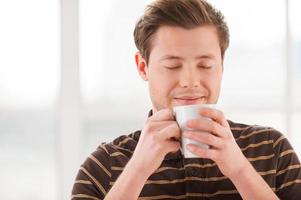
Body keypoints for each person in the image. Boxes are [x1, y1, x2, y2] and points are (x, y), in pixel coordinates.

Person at [71, 0, 301, 199]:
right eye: (172, 65)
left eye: (205, 65)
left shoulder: (272, 149)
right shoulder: (103, 166)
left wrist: (240, 170)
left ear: (222, 65)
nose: (189, 81)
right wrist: (138, 169)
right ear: (143, 67)